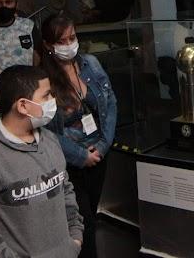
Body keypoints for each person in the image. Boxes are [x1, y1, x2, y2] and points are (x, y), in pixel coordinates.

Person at [0, 65, 84, 257]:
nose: (53, 101)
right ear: (23, 106)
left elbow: (65, 190)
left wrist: (74, 238)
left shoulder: (49, 140)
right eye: (46, 95)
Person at [40, 15, 117, 258]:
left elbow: (110, 103)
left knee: (91, 215)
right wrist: (80, 155)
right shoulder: (42, 80)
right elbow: (45, 130)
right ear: (48, 45)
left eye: (72, 38)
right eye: (61, 41)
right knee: (83, 224)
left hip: (98, 154)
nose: (69, 45)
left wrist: (103, 146)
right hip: (69, 162)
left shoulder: (90, 64)